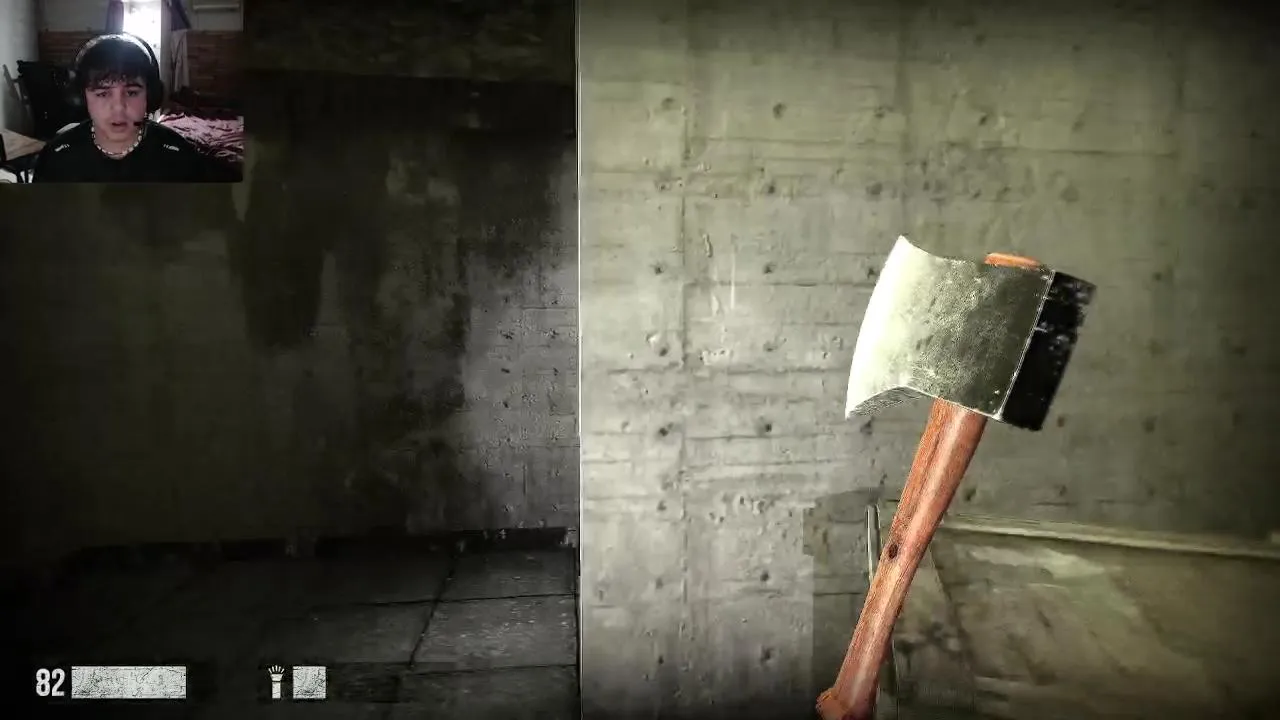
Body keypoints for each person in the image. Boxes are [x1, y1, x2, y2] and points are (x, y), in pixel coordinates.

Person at [32, 33, 220, 183]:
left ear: (150, 95)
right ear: (82, 98)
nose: (118, 108)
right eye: (103, 94)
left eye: (131, 93)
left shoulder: (180, 157)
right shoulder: (57, 158)